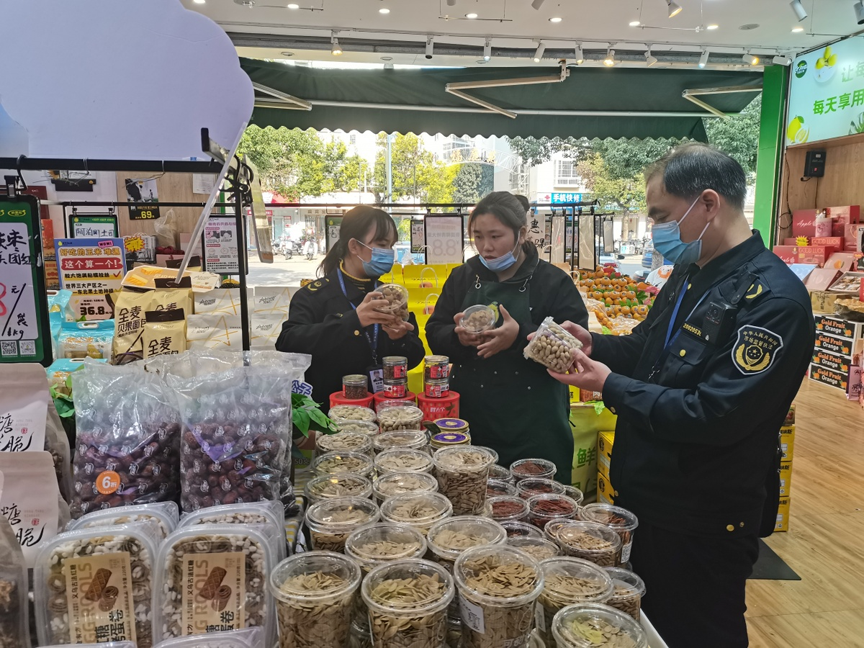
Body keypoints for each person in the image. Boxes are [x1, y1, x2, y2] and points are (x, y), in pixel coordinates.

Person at [548, 143, 815, 647]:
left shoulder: (772, 301)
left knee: (698, 628)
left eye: (662, 216)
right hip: (651, 497)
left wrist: (608, 385)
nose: (656, 231)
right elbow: (650, 347)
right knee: (652, 624)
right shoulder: (693, 274)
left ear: (708, 205)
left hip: (704, 514)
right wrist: (594, 344)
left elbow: (715, 414)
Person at [426, 192, 588, 483]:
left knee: (541, 508)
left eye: (496, 236)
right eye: (477, 237)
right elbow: (434, 331)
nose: (486, 247)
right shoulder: (463, 277)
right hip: (473, 419)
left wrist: (519, 337)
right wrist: (457, 337)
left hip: (535, 424)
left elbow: (573, 350)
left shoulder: (553, 282)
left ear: (522, 234)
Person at [276, 206, 425, 401]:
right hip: (332, 416)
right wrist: (353, 321)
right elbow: (288, 344)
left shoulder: (391, 296)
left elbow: (413, 358)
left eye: (391, 246)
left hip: (388, 413)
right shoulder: (314, 296)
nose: (389, 253)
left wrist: (401, 339)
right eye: (381, 244)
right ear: (354, 246)